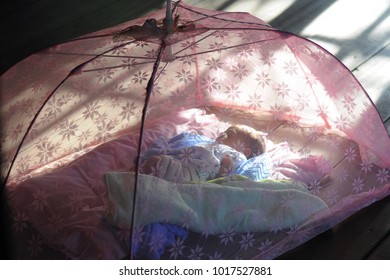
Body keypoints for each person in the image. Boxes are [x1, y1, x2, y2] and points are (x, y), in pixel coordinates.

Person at [141, 125, 271, 183]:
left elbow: (227, 164)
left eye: (229, 134)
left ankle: (155, 176)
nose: (223, 134)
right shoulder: (214, 144)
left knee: (173, 170)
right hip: (184, 159)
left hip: (198, 171)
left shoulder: (236, 154)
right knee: (164, 163)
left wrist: (218, 178)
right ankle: (151, 174)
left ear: (245, 150)